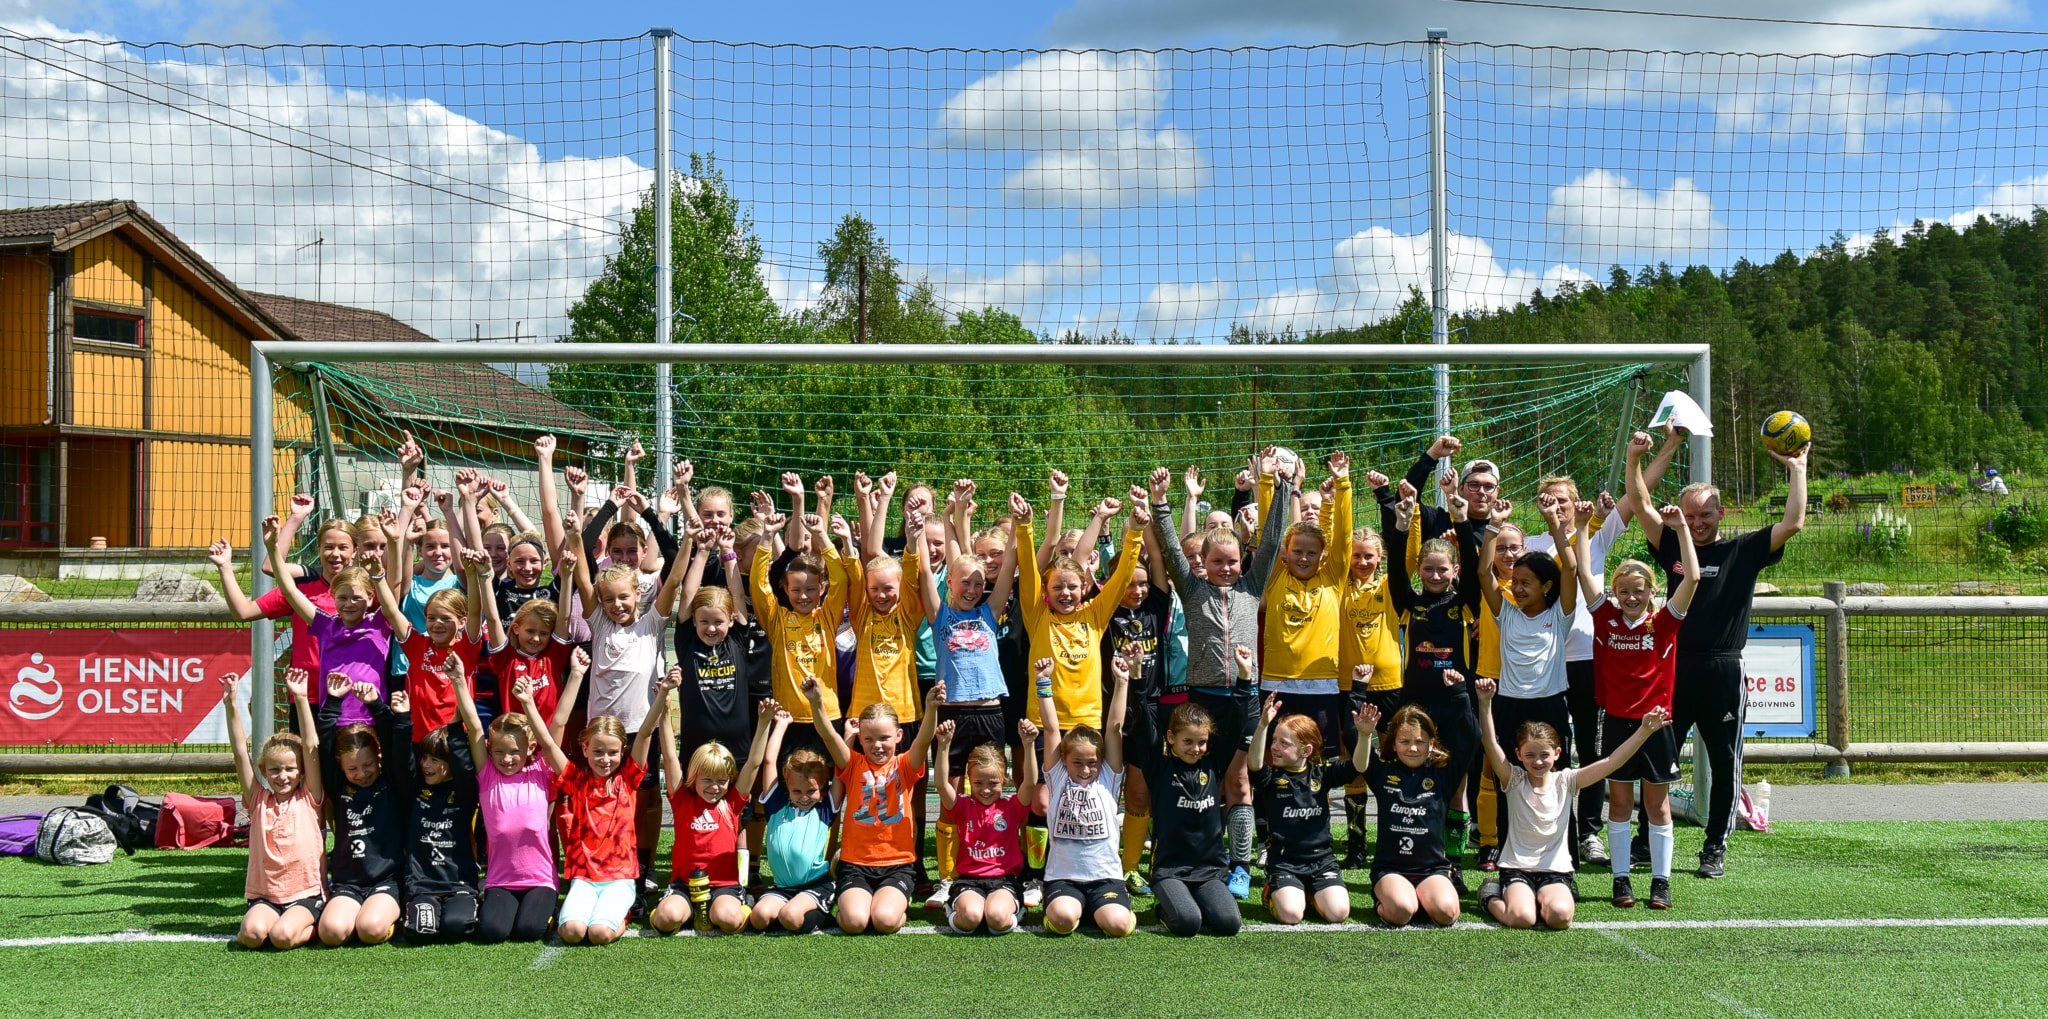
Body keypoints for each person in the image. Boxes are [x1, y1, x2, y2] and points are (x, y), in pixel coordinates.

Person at [1633, 429, 1806, 878]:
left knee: (1726, 762)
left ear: (1720, 513)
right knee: (1658, 756)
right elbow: (1640, 504)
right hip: (1673, 668)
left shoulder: (1742, 550)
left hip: (1723, 669)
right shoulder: (1672, 544)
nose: (1698, 522)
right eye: (1691, 515)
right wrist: (1651, 454)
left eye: (1706, 515)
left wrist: (1797, 471)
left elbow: (1793, 523)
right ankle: (1646, 841)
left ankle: (1714, 848)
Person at [1148, 452, 1292, 900]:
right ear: (1204, 563)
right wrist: (1160, 504)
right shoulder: (1192, 591)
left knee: (1240, 781)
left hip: (1245, 698)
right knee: (1200, 781)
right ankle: (1193, 858)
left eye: (1232, 561)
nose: (1226, 568)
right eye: (1217, 562)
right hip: (1203, 700)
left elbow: (1269, 543)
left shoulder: (1252, 586)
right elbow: (1172, 549)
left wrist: (1282, 489)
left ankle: (1241, 866)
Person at [1583, 446, 1704, 908]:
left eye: (1639, 591)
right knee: (1618, 805)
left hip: (1658, 725)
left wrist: (1679, 532)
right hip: (1616, 721)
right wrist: (1578, 529)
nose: (1631, 598)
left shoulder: (1664, 622)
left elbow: (1690, 580)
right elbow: (1583, 573)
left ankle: (1661, 881)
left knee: (1656, 807)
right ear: (1615, 593)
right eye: (1623, 591)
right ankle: (1620, 880)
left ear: (1653, 593)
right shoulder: (1606, 618)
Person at [1473, 676, 1669, 929]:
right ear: (1519, 754)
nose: (1538, 761)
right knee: (1522, 918)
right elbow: (1489, 742)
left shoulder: (1566, 780)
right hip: (1517, 870)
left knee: (1560, 917)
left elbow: (1612, 762)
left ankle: (1544, 898)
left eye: (1544, 755)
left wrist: (1644, 731)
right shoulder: (1513, 779)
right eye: (1530, 755)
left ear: (1557, 754)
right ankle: (1489, 895)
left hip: (1556, 872)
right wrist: (1485, 702)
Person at [1380, 477, 1482, 881]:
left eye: (1443, 569)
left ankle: (1452, 861)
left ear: (1454, 569)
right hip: (1417, 706)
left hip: (1457, 704)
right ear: (1419, 570)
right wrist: (1402, 527)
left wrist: (1461, 521)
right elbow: (1394, 573)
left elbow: (1475, 568)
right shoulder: (1410, 604)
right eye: (1428, 569)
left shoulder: (1464, 603)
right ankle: (1419, 851)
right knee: (1419, 781)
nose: (1435, 575)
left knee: (1455, 787)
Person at [1474, 495, 1580, 871]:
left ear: (1546, 587)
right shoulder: (1505, 612)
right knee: (1509, 783)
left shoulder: (1561, 613)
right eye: (1515, 582)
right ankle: (1506, 854)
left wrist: (1554, 523)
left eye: (1525, 583)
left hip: (1549, 704)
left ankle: (1563, 857)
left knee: (1554, 783)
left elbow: (1570, 570)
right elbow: (1484, 574)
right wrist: (1492, 525)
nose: (1516, 588)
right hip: (1509, 705)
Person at [1256, 454, 1355, 851]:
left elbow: (1344, 539)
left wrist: (1343, 486)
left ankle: (1316, 835)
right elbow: (1269, 530)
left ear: (1322, 557)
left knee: (1318, 765)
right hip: (1277, 684)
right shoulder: (1277, 573)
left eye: (1312, 552)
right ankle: (1268, 838)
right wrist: (1267, 482)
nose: (1303, 557)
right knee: (1271, 760)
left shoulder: (1332, 579)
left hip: (1321, 691)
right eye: (1297, 551)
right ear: (1286, 553)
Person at [801, 676, 945, 935]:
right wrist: (817, 702)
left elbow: (923, 741)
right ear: (860, 738)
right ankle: (851, 899)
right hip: (855, 864)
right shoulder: (853, 764)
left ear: (899, 736)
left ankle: (896, 904)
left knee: (884, 921)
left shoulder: (905, 765)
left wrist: (931, 708)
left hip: (898, 864)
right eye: (868, 739)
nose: (876, 745)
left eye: (884, 738)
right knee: (856, 922)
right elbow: (828, 735)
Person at [1141, 645, 1253, 938]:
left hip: (1209, 870)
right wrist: (1138, 679)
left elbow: (1236, 723)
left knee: (1229, 924)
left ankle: (1195, 901)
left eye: (1201, 741)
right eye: (1188, 741)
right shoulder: (1159, 767)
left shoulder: (1213, 763)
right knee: (1188, 923)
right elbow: (1143, 721)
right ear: (1171, 738)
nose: (1196, 748)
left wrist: (1244, 676)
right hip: (1170, 870)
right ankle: (1164, 906)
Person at [651, 695, 777, 935]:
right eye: (707, 780)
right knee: (667, 919)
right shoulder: (682, 800)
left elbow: (753, 763)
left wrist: (764, 723)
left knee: (728, 919)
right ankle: (680, 909)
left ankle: (739, 904)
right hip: (684, 885)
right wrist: (665, 713)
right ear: (694, 777)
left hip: (723, 886)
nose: (714, 787)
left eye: (721, 781)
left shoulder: (731, 803)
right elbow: (668, 756)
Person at [1251, 684, 1375, 925]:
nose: (1275, 747)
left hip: (1322, 861)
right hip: (1285, 861)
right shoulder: (1271, 779)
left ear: (1306, 750)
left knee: (1338, 913)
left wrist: (1365, 735)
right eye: (1274, 741)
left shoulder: (1322, 774)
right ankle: (1275, 891)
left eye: (1283, 743)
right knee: (1291, 915)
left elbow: (1359, 766)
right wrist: (1263, 725)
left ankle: (1307, 891)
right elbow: (1255, 764)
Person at [546, 694, 661, 946]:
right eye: (598, 752)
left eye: (612, 752)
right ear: (585, 749)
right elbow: (548, 743)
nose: (605, 759)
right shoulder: (576, 781)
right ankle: (589, 909)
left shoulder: (628, 779)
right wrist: (527, 703)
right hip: (584, 879)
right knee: (572, 932)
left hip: (619, 879)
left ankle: (625, 910)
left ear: (622, 751)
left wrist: (662, 694)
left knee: (600, 933)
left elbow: (644, 734)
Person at [1038, 655, 1138, 938]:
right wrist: (1043, 682)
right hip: (1064, 878)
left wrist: (1121, 682)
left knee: (1118, 926)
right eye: (1078, 763)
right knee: (1063, 920)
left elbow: (1114, 729)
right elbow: (1051, 729)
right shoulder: (1057, 778)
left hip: (1104, 878)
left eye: (1092, 762)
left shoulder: (1108, 777)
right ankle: (1071, 911)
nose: (1085, 769)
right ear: (1065, 761)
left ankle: (1103, 910)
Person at [225, 667, 324, 951]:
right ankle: (273, 922)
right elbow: (239, 752)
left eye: (291, 769)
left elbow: (310, 746)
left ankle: (314, 923)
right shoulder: (258, 800)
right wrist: (231, 703)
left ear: (301, 771)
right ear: (263, 771)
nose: (283, 776)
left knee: (282, 937)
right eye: (275, 770)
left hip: (305, 894)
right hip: (266, 896)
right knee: (252, 935)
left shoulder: (309, 797)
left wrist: (301, 699)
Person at [471, 668, 570, 944]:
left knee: (527, 932)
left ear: (530, 749)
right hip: (501, 880)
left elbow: (556, 727)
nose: (507, 759)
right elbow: (474, 725)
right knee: (493, 933)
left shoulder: (540, 769)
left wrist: (528, 702)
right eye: (500, 752)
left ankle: (548, 907)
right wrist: (458, 681)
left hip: (539, 879)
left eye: (515, 752)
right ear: (490, 749)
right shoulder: (487, 773)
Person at [312, 672, 409, 946]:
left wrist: (376, 705)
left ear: (379, 757)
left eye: (367, 765)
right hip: (348, 882)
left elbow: (394, 742)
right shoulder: (338, 786)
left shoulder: (393, 781)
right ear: (341, 767)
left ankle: (392, 915)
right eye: (352, 768)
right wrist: (333, 701)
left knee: (370, 930)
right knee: (331, 933)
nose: (362, 773)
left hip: (386, 880)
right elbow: (325, 739)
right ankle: (356, 911)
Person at [395, 655, 481, 943]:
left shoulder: (465, 795)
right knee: (422, 932)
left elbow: (465, 766)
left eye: (436, 760)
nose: (428, 766)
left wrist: (456, 729)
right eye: (426, 759)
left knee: (457, 928)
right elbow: (403, 761)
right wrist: (404, 720)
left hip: (458, 884)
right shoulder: (414, 792)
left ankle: (473, 899)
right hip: (423, 886)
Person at [933, 715, 1040, 934]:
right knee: (971, 918)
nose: (986, 789)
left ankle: (1015, 910)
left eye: (993, 783)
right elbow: (943, 785)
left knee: (996, 919)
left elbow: (1030, 783)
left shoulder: (1011, 806)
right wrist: (943, 746)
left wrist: (1029, 746)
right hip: (969, 881)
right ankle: (953, 907)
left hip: (1004, 881)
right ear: (968, 780)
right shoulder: (963, 806)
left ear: (1005, 779)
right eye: (978, 783)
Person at [1362, 701, 1461, 927]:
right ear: (1394, 744)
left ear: (1431, 744)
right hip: (1391, 869)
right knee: (1401, 911)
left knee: (1447, 914)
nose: (1413, 748)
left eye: (1420, 742)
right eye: (1405, 742)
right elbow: (1355, 741)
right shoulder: (1382, 772)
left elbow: (1470, 736)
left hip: (1431, 869)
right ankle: (1390, 899)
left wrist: (1460, 696)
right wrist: (1358, 691)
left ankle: (1420, 897)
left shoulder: (1443, 775)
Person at [749, 713, 839, 934]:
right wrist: (780, 724)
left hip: (815, 885)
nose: (804, 796)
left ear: (822, 789)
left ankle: (823, 913)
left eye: (811, 791)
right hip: (782, 888)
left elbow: (842, 769)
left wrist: (848, 736)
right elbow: (769, 761)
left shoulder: (824, 809)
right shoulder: (776, 805)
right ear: (787, 788)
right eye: (796, 791)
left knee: (790, 916)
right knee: (758, 917)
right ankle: (791, 910)